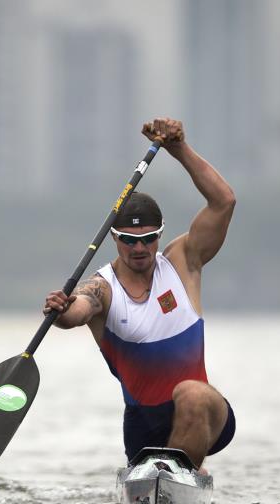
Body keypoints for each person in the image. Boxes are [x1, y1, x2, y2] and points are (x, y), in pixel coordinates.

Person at [43, 117, 236, 468]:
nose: (140, 247)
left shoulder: (183, 263)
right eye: (130, 240)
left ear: (160, 235)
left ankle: (180, 468)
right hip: (143, 428)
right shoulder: (102, 287)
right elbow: (78, 311)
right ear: (115, 238)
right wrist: (60, 311)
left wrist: (179, 150)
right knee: (177, 421)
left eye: (149, 238)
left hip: (206, 414)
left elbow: (224, 202)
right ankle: (177, 470)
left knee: (192, 393)